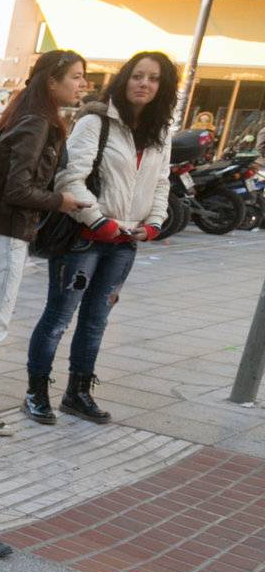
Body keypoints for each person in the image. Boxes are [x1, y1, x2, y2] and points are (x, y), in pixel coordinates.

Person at [24, 51, 176, 425]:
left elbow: (161, 183)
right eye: (137, 75)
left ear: (163, 87)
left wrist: (154, 223)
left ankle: (78, 393)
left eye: (153, 78)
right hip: (83, 237)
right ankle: (36, 392)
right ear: (123, 79)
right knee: (59, 317)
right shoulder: (96, 122)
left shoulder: (160, 133)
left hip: (125, 241)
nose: (144, 83)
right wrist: (97, 219)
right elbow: (69, 179)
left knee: (96, 321)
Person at [0, 49, 89, 435]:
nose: (82, 84)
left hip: (1, 230)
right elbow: (18, 188)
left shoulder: (28, 118)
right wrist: (61, 201)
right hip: (8, 231)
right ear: (51, 81)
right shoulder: (37, 122)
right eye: (75, 76)